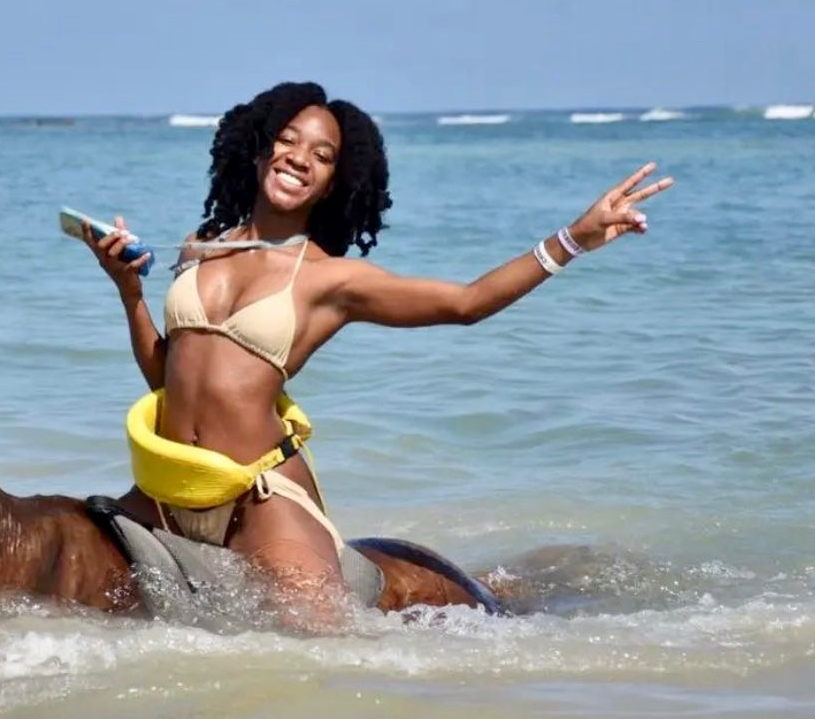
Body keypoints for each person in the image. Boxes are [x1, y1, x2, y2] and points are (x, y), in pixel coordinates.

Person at [84, 81, 673, 628]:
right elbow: (167, 374)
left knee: (320, 641)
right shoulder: (197, 250)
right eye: (287, 141)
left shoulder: (329, 280)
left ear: (335, 182)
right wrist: (129, 291)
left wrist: (573, 239)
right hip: (168, 484)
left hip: (256, 496)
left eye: (321, 155)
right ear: (259, 151)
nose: (299, 158)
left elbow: (466, 303)